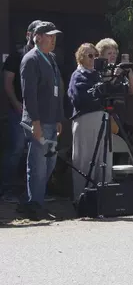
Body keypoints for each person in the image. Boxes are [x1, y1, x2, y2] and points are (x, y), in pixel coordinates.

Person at [18, 22, 65, 220]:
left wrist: (59, 118)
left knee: (50, 163)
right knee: (37, 164)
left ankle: (33, 201)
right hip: (37, 121)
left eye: (55, 36)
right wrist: (35, 122)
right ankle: (35, 205)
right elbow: (29, 94)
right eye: (49, 36)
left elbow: (58, 90)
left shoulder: (51, 58)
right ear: (37, 37)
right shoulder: (31, 59)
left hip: (51, 121)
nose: (53, 40)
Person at [67, 43, 114, 203]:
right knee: (85, 160)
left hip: (102, 119)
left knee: (104, 159)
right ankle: (82, 200)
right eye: (90, 55)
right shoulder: (78, 75)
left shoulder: (100, 75)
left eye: (95, 55)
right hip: (85, 120)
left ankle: (105, 199)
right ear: (81, 57)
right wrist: (98, 94)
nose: (94, 58)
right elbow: (79, 99)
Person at [1, 20, 39, 202]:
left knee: (36, 151)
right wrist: (17, 104)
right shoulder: (16, 57)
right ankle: (6, 189)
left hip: (39, 113)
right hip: (19, 111)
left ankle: (32, 193)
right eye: (35, 33)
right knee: (16, 148)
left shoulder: (45, 58)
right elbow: (7, 83)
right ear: (28, 34)